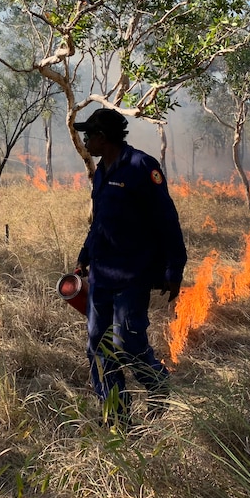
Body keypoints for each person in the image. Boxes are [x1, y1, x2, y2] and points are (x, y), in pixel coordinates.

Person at [73, 108, 187, 425]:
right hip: (101, 275)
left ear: (103, 136)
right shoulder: (100, 174)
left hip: (133, 275)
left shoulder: (142, 167)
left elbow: (167, 221)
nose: (85, 141)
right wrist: (84, 256)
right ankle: (117, 419)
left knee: (128, 344)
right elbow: (99, 224)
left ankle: (157, 383)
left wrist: (174, 270)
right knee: (98, 346)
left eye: (88, 135)